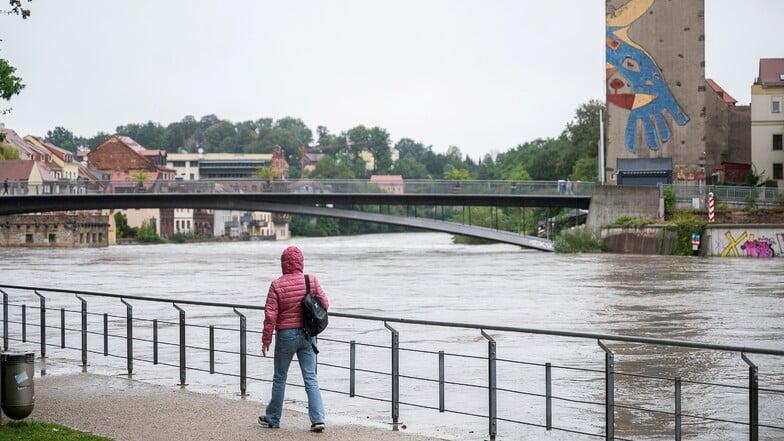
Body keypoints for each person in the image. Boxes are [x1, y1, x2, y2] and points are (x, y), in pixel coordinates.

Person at [259, 246, 329, 432]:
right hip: (308, 334)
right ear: (301, 262)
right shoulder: (310, 280)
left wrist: (266, 339)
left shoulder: (277, 285)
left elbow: (270, 315)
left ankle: (273, 418)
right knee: (310, 377)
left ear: (283, 263)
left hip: (286, 335)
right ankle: (318, 419)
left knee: (280, 377)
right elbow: (325, 304)